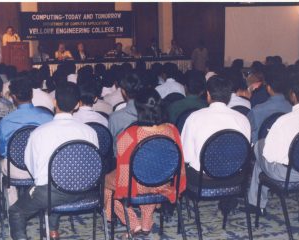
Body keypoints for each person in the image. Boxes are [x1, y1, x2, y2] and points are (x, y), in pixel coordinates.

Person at [9, 82, 98, 240]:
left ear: (55, 102)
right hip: (85, 190)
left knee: (16, 211)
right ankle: (53, 229)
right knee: (62, 181)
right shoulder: (90, 132)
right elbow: (93, 166)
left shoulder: (39, 133)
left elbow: (32, 168)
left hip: (50, 194)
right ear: (78, 104)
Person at [104, 89, 186, 237]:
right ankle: (146, 224)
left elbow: (122, 165)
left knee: (107, 184)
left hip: (138, 184)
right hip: (164, 183)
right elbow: (179, 160)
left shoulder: (129, 134)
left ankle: (134, 225)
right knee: (149, 176)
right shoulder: (173, 130)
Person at [247, 73, 299, 213]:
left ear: (293, 95)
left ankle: (257, 204)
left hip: (289, 174)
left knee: (260, 148)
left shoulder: (285, 120)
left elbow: (269, 156)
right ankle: (256, 202)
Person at [0, 76, 53, 207]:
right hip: (42, 168)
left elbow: (2, 152)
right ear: (32, 94)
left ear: (14, 97)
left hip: (15, 171)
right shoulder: (48, 117)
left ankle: (13, 205)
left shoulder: (5, 122)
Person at [181, 75, 250, 174]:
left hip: (203, 179)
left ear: (208, 94)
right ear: (229, 95)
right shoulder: (243, 119)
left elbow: (186, 156)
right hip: (235, 177)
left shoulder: (194, 117)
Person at [247, 65, 292, 145]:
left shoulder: (256, 110)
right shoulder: (292, 108)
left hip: (260, 152)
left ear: (268, 88)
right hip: (285, 148)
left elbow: (247, 130)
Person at [108, 72, 142, 154]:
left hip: (122, 161)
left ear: (123, 91)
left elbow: (112, 148)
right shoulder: (151, 114)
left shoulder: (115, 117)